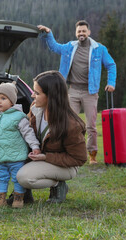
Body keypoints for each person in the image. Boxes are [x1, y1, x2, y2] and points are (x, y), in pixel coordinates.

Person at [37, 20, 116, 164]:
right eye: (79, 31)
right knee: (66, 122)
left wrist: (111, 83)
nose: (81, 34)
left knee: (91, 125)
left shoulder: (99, 49)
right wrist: (49, 33)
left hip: (90, 92)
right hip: (72, 91)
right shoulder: (69, 47)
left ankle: (92, 155)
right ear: (76, 33)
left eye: (84, 31)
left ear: (89, 32)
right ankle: (66, 152)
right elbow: (54, 47)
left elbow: (111, 65)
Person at [16, 71, 87, 203]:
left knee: (24, 177)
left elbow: (79, 158)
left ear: (51, 96)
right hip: (41, 158)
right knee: (11, 161)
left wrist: (46, 157)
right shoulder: (35, 109)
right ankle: (23, 194)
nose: (32, 95)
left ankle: (58, 185)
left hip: (66, 166)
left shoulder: (71, 125)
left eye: (37, 93)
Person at [0, 82, 41, 208]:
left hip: (16, 156)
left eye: (3, 98)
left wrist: (35, 147)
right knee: (1, 178)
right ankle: (0, 199)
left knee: (17, 178)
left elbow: (28, 133)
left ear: (12, 101)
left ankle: (18, 198)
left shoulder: (18, 117)